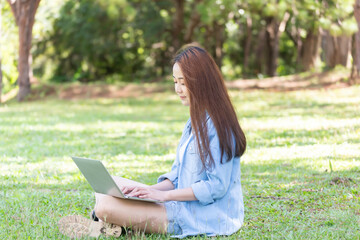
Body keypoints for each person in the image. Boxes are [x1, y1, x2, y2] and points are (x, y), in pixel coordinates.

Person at [58, 44, 246, 239]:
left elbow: (216, 186)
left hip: (197, 215)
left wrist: (164, 196)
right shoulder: (195, 121)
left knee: (105, 205)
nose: (178, 89)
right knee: (110, 186)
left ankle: (111, 223)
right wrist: (149, 190)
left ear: (201, 81)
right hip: (177, 203)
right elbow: (177, 176)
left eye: (183, 82)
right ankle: (116, 225)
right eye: (175, 82)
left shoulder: (218, 126)